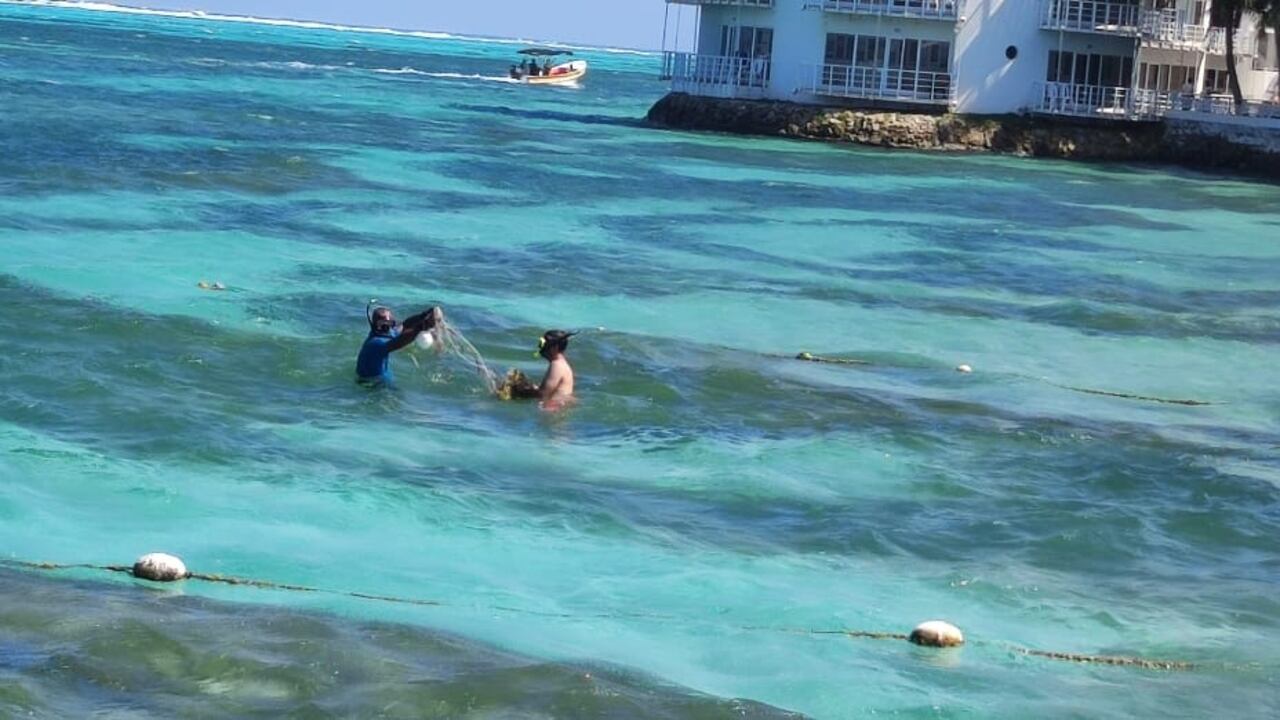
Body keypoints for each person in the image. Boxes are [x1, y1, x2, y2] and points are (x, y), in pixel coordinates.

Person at [356, 304, 442, 384]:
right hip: (372, 385)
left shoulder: (385, 332)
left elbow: (404, 325)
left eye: (392, 323)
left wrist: (423, 315)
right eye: (386, 324)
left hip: (380, 378)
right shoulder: (375, 343)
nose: (390, 327)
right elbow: (400, 341)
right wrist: (421, 327)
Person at [535, 329, 575, 408]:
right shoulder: (562, 364)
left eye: (543, 344)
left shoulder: (557, 366)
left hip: (553, 411)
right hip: (559, 408)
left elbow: (543, 394)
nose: (540, 348)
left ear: (555, 347)